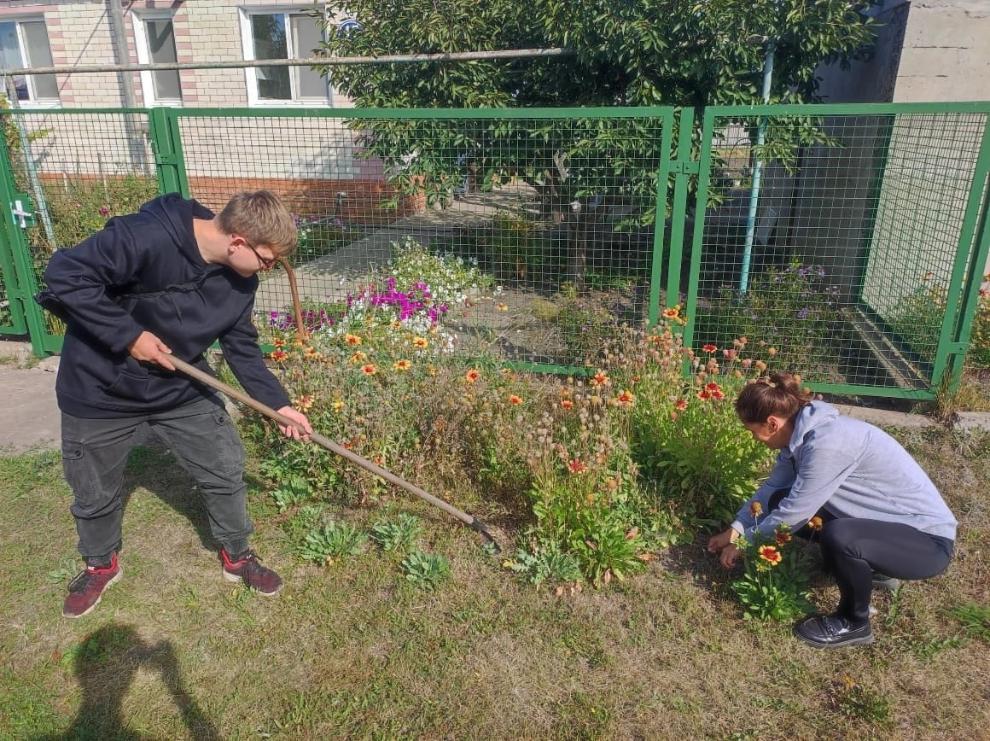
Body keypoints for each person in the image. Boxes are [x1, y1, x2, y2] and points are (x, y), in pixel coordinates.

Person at [38, 190, 313, 618]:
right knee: (93, 490)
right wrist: (129, 336)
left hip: (178, 388)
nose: (268, 268)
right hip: (99, 388)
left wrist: (278, 404)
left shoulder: (240, 284)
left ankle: (237, 555)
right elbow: (64, 273)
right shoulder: (143, 237)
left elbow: (241, 348)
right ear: (238, 241)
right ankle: (100, 563)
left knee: (223, 467)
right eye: (266, 258)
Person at [707, 373, 957, 648]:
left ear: (772, 423)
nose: (754, 438)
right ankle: (875, 570)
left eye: (752, 431)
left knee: (839, 535)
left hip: (927, 543)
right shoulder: (800, 435)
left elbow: (795, 512)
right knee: (780, 497)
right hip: (892, 532)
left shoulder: (828, 443)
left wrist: (746, 543)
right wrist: (737, 529)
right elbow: (774, 489)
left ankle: (854, 622)